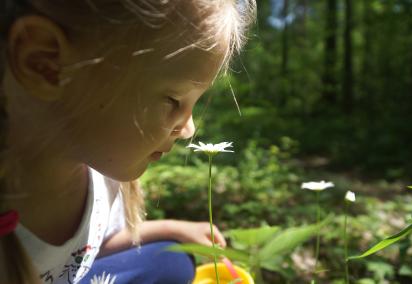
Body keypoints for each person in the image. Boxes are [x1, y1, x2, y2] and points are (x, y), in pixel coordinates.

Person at [0, 0, 256, 283]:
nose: (188, 129)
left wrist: (170, 229)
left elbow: (89, 250)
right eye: (173, 100)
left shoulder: (101, 181)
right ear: (46, 64)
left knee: (172, 260)